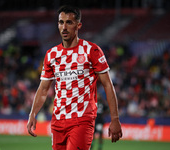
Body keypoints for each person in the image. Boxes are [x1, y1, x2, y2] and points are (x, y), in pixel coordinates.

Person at [27, 5, 122, 150]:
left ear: (78, 25)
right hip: (58, 121)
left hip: (82, 120)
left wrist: (115, 119)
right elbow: (43, 89)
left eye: (69, 22)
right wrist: (32, 113)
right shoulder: (51, 54)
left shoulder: (92, 50)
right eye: (61, 22)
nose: (64, 27)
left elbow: (108, 85)